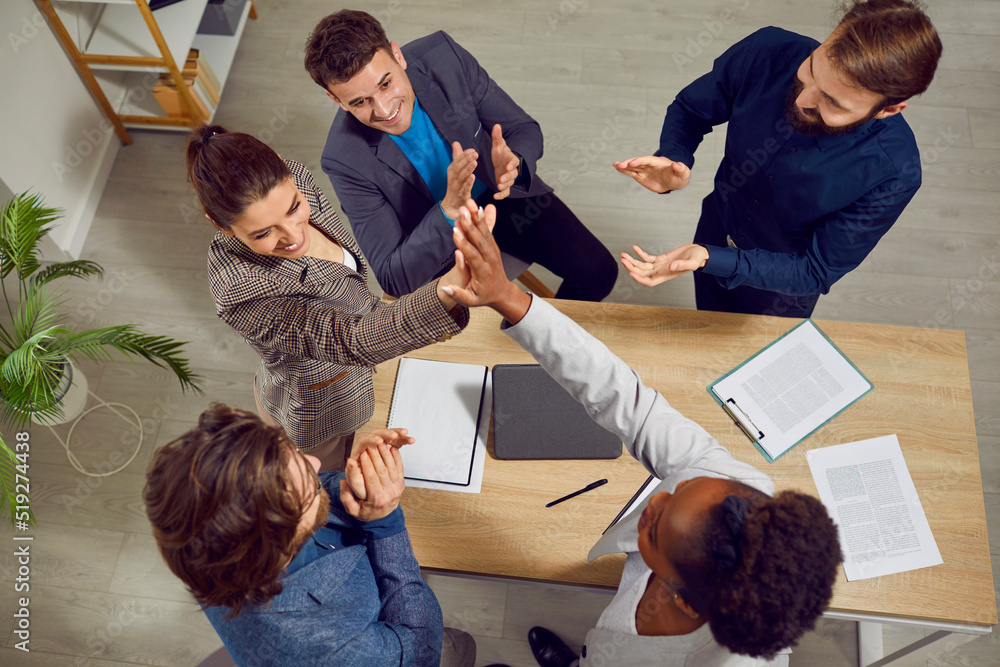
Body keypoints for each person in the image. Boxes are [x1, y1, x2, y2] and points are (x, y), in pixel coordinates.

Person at [440, 205, 843, 665]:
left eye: (655, 525)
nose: (653, 498)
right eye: (683, 486)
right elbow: (625, 399)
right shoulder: (741, 491)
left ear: (687, 601)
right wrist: (507, 296)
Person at [616, 0, 942, 318]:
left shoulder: (894, 173)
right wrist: (676, 157)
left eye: (832, 101)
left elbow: (815, 270)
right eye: (812, 69)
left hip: (780, 292)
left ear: (888, 109)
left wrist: (715, 259)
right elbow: (691, 110)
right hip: (712, 235)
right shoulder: (768, 50)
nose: (803, 98)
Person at [188, 124, 481, 470]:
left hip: (370, 361)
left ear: (285, 168)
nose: (293, 235)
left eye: (294, 209)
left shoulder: (295, 178)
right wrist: (449, 286)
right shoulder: (241, 291)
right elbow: (350, 340)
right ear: (221, 226)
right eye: (264, 233)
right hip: (323, 407)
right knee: (334, 488)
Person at [143, 403, 511, 667]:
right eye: (308, 488)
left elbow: (307, 487)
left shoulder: (199, 531)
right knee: (458, 647)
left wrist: (353, 480)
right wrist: (385, 521)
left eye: (294, 454)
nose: (318, 464)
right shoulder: (319, 648)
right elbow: (419, 648)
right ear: (278, 543)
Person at [306, 9, 618, 301]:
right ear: (336, 100)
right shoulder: (343, 159)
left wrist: (515, 168)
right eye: (361, 102)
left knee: (599, 272)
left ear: (398, 55)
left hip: (502, 195)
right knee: (469, 337)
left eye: (386, 84)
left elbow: (522, 129)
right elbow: (393, 277)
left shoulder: (443, 57)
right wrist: (449, 207)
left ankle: (539, 341)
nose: (385, 110)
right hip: (439, 239)